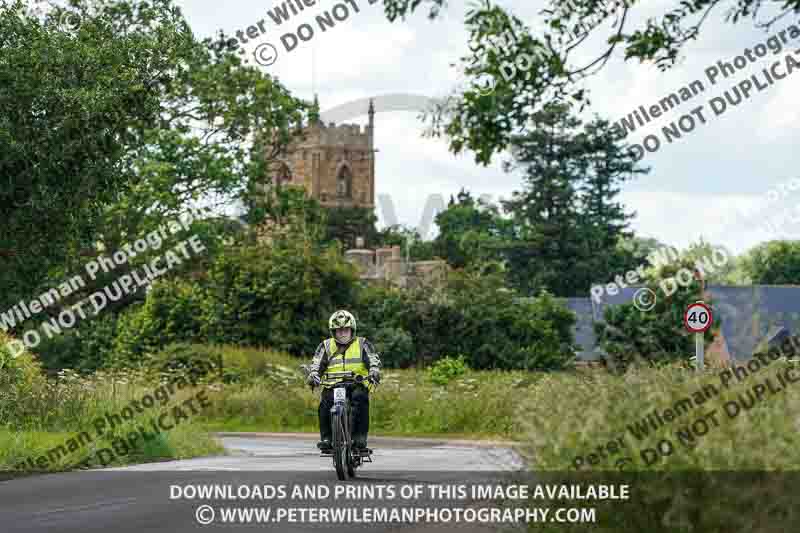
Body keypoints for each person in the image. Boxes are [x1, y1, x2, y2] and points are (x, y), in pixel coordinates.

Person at [306, 310, 381, 453]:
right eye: (338, 330)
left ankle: (359, 439)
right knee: (325, 403)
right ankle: (327, 439)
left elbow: (373, 360)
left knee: (361, 399)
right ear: (333, 332)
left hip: (356, 383)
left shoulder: (363, 343)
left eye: (345, 329)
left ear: (352, 329)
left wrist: (374, 371)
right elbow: (316, 364)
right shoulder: (325, 346)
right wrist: (313, 375)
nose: (342, 333)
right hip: (332, 385)